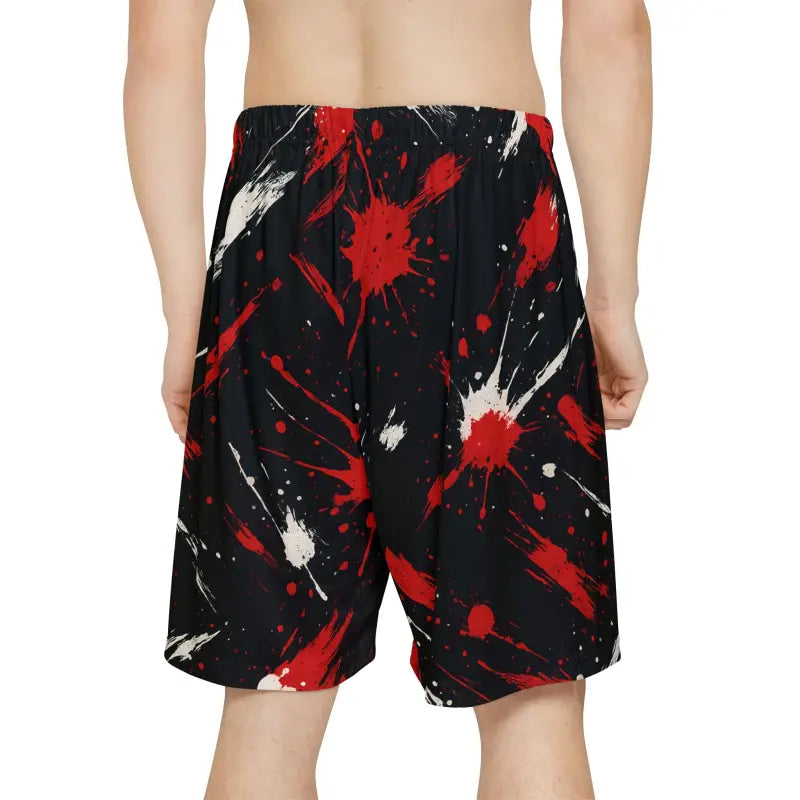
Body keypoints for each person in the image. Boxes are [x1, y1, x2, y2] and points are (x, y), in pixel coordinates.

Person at [124, 0, 651, 797]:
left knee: (270, 701)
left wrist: (186, 319)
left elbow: (159, 50)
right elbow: (612, 32)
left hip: (281, 221)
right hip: (486, 203)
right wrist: (611, 301)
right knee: (530, 698)